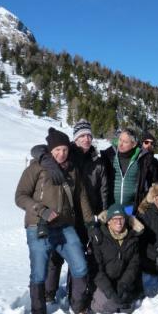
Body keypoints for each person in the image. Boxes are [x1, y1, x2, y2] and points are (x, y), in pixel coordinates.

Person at [15, 128, 94, 314]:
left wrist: (90, 222)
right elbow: (20, 196)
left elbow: (82, 198)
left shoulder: (72, 170)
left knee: (80, 265)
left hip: (64, 226)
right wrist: (40, 210)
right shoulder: (36, 168)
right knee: (39, 270)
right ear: (50, 150)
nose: (61, 153)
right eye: (57, 149)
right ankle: (38, 312)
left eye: (65, 149)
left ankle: (78, 307)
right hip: (38, 225)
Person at [31, 119, 109, 302]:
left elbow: (103, 190)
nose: (86, 139)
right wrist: (47, 161)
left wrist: (102, 214)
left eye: (89, 135)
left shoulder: (97, 160)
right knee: (55, 257)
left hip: (87, 215)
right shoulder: (66, 152)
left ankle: (74, 296)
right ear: (75, 138)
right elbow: (37, 149)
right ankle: (49, 295)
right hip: (64, 212)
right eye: (82, 136)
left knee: (79, 256)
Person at [90, 204, 142, 314]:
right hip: (104, 282)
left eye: (121, 218)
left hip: (122, 281)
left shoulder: (132, 238)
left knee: (125, 304)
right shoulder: (100, 237)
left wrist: (124, 284)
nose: (119, 222)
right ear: (108, 221)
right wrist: (109, 290)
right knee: (105, 305)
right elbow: (96, 269)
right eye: (115, 219)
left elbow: (133, 265)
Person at [101, 128, 158, 213]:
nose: (120, 144)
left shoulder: (142, 159)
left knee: (130, 225)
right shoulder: (109, 156)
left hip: (131, 208)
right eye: (120, 140)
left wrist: (144, 204)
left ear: (134, 144)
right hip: (112, 207)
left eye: (125, 142)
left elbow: (152, 185)